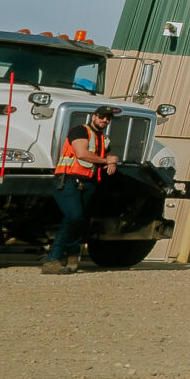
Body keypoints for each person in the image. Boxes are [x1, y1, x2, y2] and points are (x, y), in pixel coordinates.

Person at [43, 107, 119, 274]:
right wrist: (107, 160)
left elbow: (110, 155)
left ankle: (71, 258)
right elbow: (82, 154)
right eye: (102, 117)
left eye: (108, 118)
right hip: (68, 180)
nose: (104, 120)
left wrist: (113, 160)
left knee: (79, 220)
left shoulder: (104, 139)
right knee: (74, 216)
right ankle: (53, 259)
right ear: (94, 116)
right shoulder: (80, 131)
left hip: (88, 182)